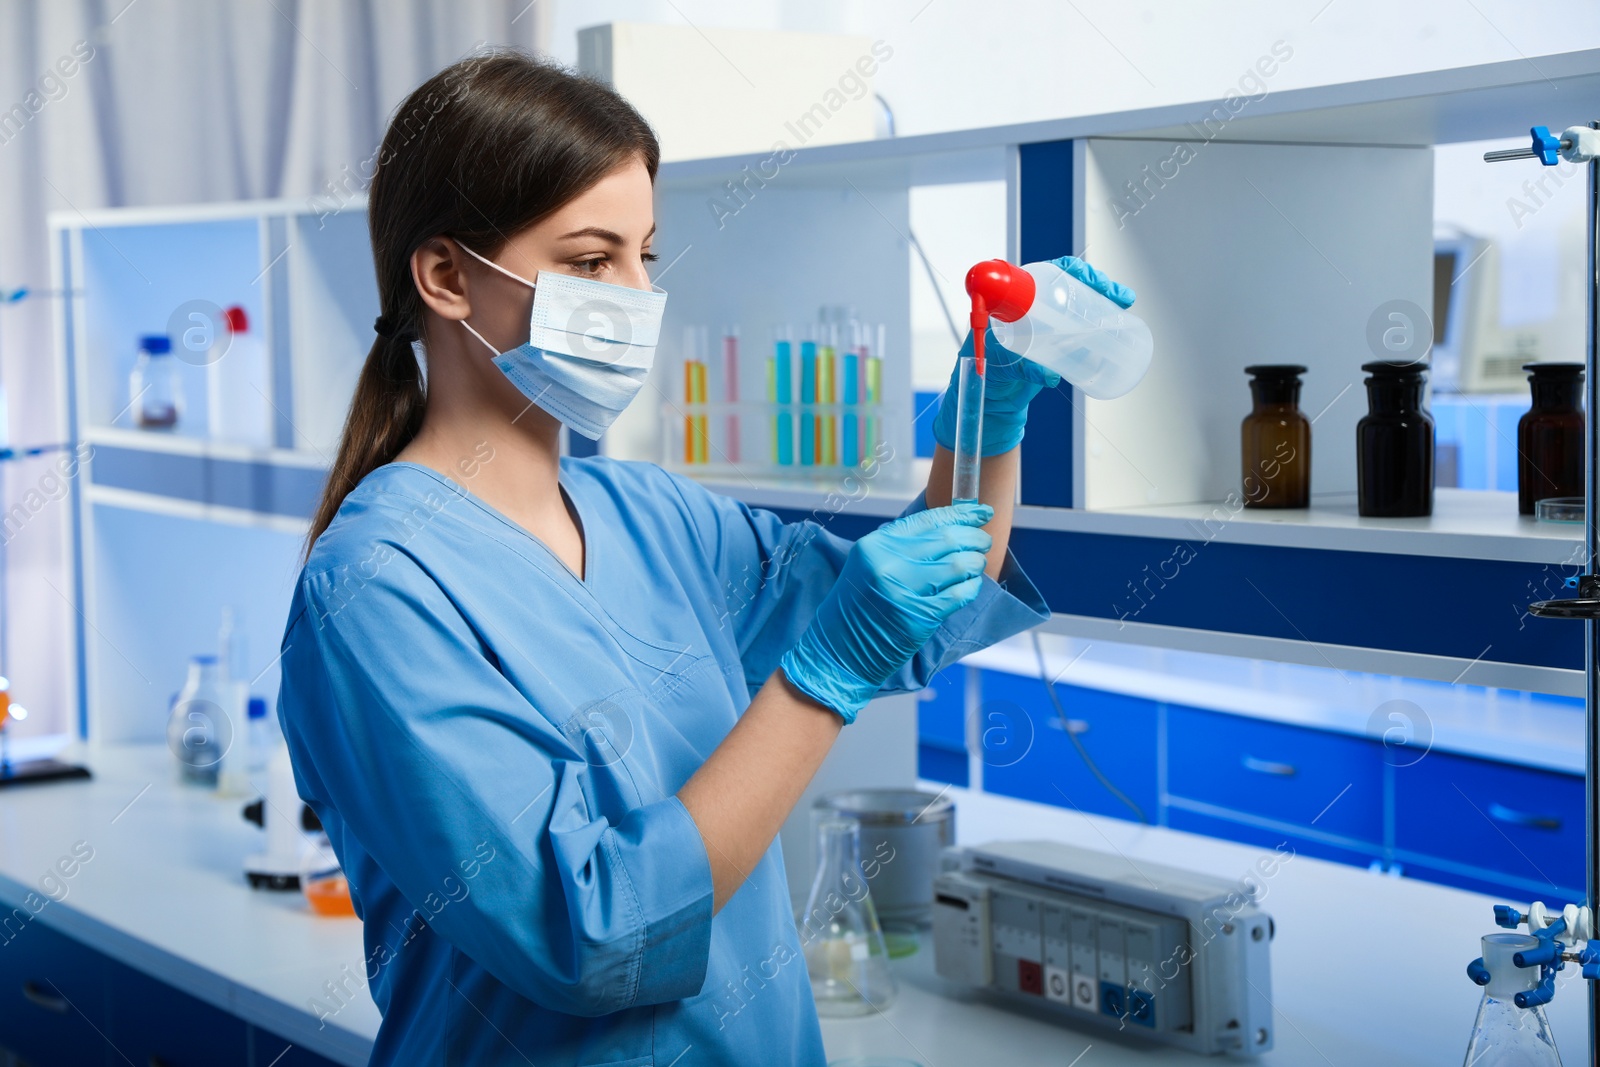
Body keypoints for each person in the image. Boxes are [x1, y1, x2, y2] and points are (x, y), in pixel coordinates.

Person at [277, 49, 1136, 1067]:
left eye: (645, 253)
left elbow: (929, 613)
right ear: (448, 275)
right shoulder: (375, 590)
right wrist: (821, 676)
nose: (638, 295)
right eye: (592, 262)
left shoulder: (652, 517)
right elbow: (585, 936)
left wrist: (985, 420)